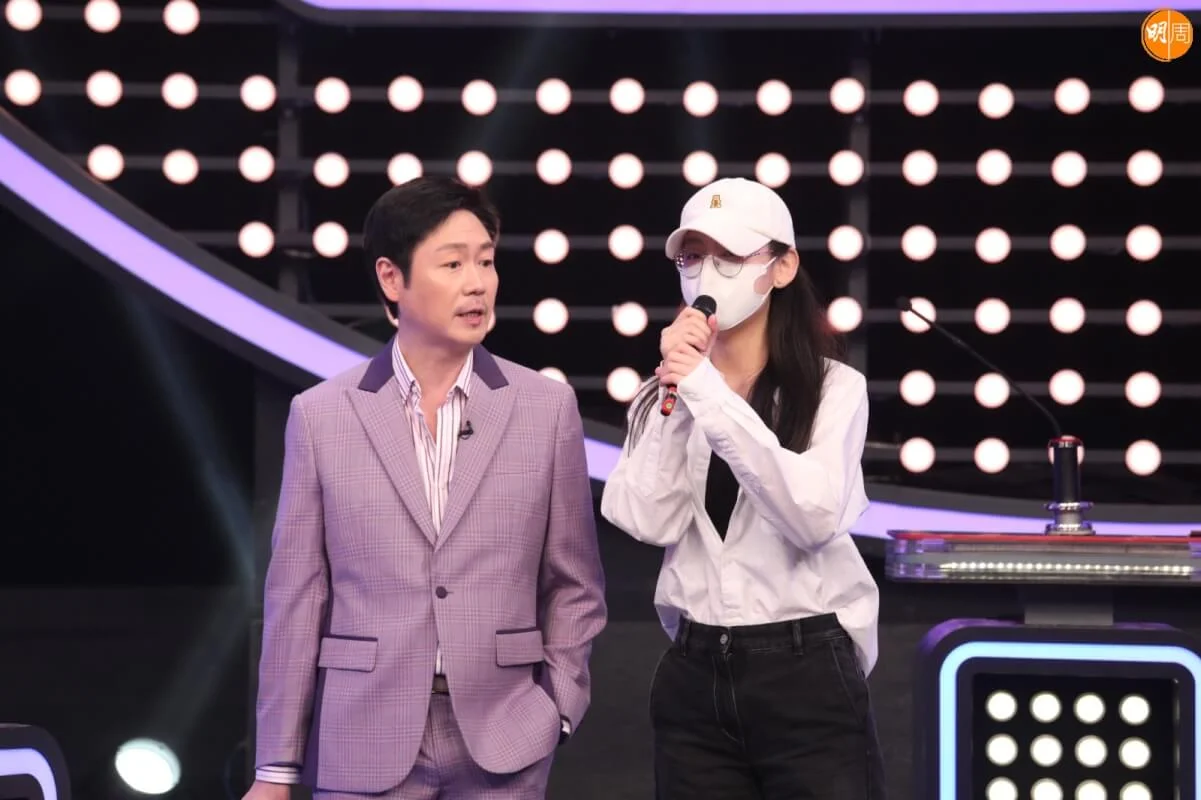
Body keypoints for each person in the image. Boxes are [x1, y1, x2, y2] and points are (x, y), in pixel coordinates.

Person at [244, 176, 607, 800]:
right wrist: (275, 768)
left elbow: (575, 584)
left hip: (505, 737)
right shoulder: (322, 415)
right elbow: (298, 597)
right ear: (392, 278)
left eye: (486, 262)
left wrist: (558, 706)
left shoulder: (546, 409)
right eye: (453, 263)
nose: (478, 283)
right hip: (364, 735)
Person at [600, 177, 885, 799]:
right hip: (695, 671)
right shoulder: (667, 393)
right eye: (692, 257)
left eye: (729, 257)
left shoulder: (834, 389)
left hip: (804, 667)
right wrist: (678, 398)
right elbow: (643, 518)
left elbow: (812, 516)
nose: (707, 275)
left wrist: (707, 393)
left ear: (781, 268)